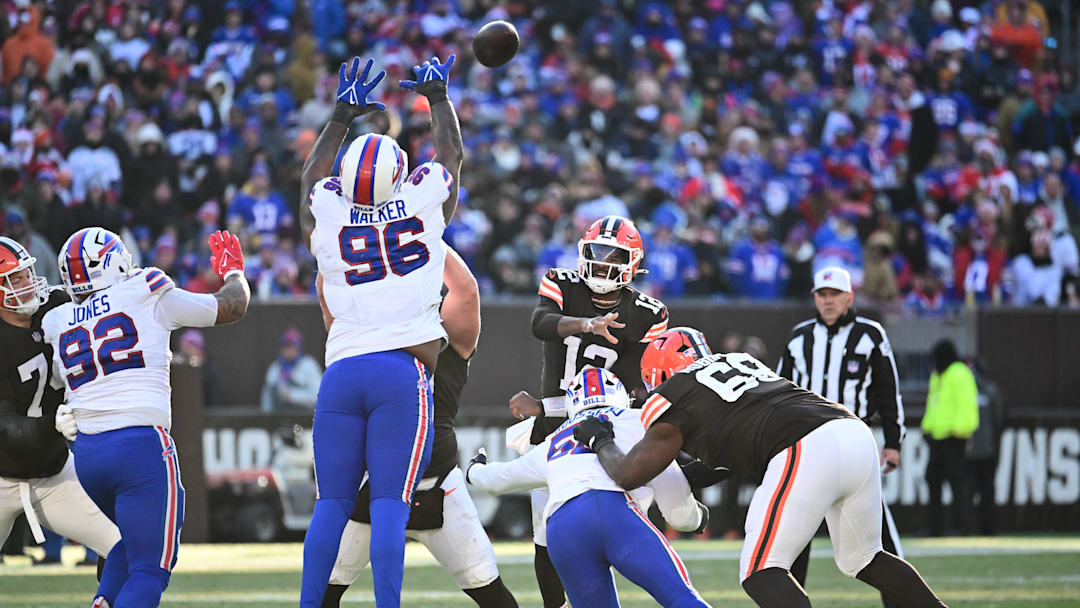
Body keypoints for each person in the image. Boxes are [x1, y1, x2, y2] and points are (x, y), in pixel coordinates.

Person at [576, 327, 947, 608]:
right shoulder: (743, 364)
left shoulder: (675, 394)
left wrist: (598, 438)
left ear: (659, 375)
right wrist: (681, 480)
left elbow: (627, 473)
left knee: (760, 571)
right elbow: (736, 451)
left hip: (807, 446)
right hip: (853, 433)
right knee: (865, 558)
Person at [296, 54, 462, 608]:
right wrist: (438, 100)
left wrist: (342, 113)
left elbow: (309, 178)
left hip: (342, 372)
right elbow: (452, 157)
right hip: (400, 373)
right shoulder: (420, 200)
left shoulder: (329, 212)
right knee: (390, 503)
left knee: (331, 505)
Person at [42, 227, 250, 607]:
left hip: (88, 455)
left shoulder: (58, 321)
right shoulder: (144, 290)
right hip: (140, 448)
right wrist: (234, 272)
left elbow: (58, 378)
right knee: (152, 568)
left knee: (130, 548)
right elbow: (231, 306)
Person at [323, 247, 518, 608]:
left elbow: (466, 291)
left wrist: (419, 229)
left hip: (437, 486)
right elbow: (328, 294)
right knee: (325, 586)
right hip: (378, 487)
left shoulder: (442, 336)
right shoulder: (364, 335)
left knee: (492, 593)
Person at [506, 214, 669, 608]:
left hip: (606, 430)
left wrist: (544, 405)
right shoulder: (562, 283)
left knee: (611, 526)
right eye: (596, 252)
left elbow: (627, 389)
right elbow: (540, 323)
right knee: (545, 535)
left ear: (632, 262)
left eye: (614, 255)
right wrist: (586, 324)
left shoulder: (648, 313)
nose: (603, 262)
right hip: (552, 433)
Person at [468, 367, 709, 608]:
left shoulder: (552, 441)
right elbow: (676, 506)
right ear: (620, 395)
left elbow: (495, 480)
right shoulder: (638, 420)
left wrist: (473, 470)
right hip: (614, 513)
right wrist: (695, 518)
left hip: (563, 531)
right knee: (681, 599)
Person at [776, 266, 906, 605]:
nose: (828, 301)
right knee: (791, 538)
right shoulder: (799, 337)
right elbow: (779, 393)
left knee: (877, 541)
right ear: (815, 298)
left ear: (849, 297)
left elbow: (888, 392)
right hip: (808, 447)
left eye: (835, 295)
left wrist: (893, 443)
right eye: (822, 294)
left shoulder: (870, 334)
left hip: (852, 445)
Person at [0, 236, 119, 576]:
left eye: (27, 274)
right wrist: (50, 424)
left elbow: (103, 301)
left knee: (122, 549)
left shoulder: (54, 305)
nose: (27, 284)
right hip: (1, 474)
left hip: (54, 473)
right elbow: (4, 424)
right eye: (15, 279)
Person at [922, 340, 979, 537]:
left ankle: (961, 526)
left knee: (957, 484)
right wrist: (927, 428)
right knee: (933, 481)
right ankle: (935, 528)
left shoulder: (959, 373)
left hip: (955, 438)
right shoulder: (938, 375)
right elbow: (933, 404)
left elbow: (966, 405)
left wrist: (960, 430)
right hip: (937, 437)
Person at [968, 359, 1005, 536]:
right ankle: (986, 529)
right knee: (984, 492)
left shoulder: (986, 392)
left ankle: (974, 529)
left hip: (975, 450)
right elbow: (999, 420)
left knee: (975, 492)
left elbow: (999, 420)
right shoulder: (991, 391)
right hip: (983, 450)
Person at [259, 328, 322, 412]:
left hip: (306, 417)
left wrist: (292, 396)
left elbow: (318, 396)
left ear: (299, 347)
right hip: (280, 419)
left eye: (293, 345)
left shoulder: (309, 365)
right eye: (286, 345)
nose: (289, 349)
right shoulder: (275, 368)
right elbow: (267, 399)